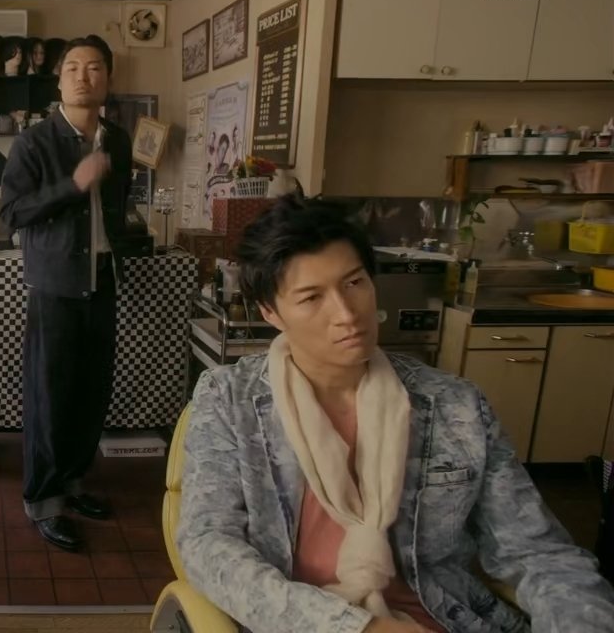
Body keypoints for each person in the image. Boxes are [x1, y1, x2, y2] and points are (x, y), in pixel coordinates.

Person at [179, 194, 614, 633]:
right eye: (311, 298)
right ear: (270, 312)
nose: (346, 314)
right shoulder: (230, 401)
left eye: (354, 283)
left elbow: (538, 554)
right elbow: (209, 544)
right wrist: (357, 628)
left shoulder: (455, 406)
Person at [0, 34, 132, 551]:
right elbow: (13, 212)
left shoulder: (118, 140)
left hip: (104, 281)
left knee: (92, 394)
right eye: (73, 67)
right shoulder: (34, 142)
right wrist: (73, 184)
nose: (83, 76)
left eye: (94, 67)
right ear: (58, 81)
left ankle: (74, 483)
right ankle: (44, 500)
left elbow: (117, 206)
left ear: (108, 79)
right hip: (54, 286)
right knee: (49, 398)